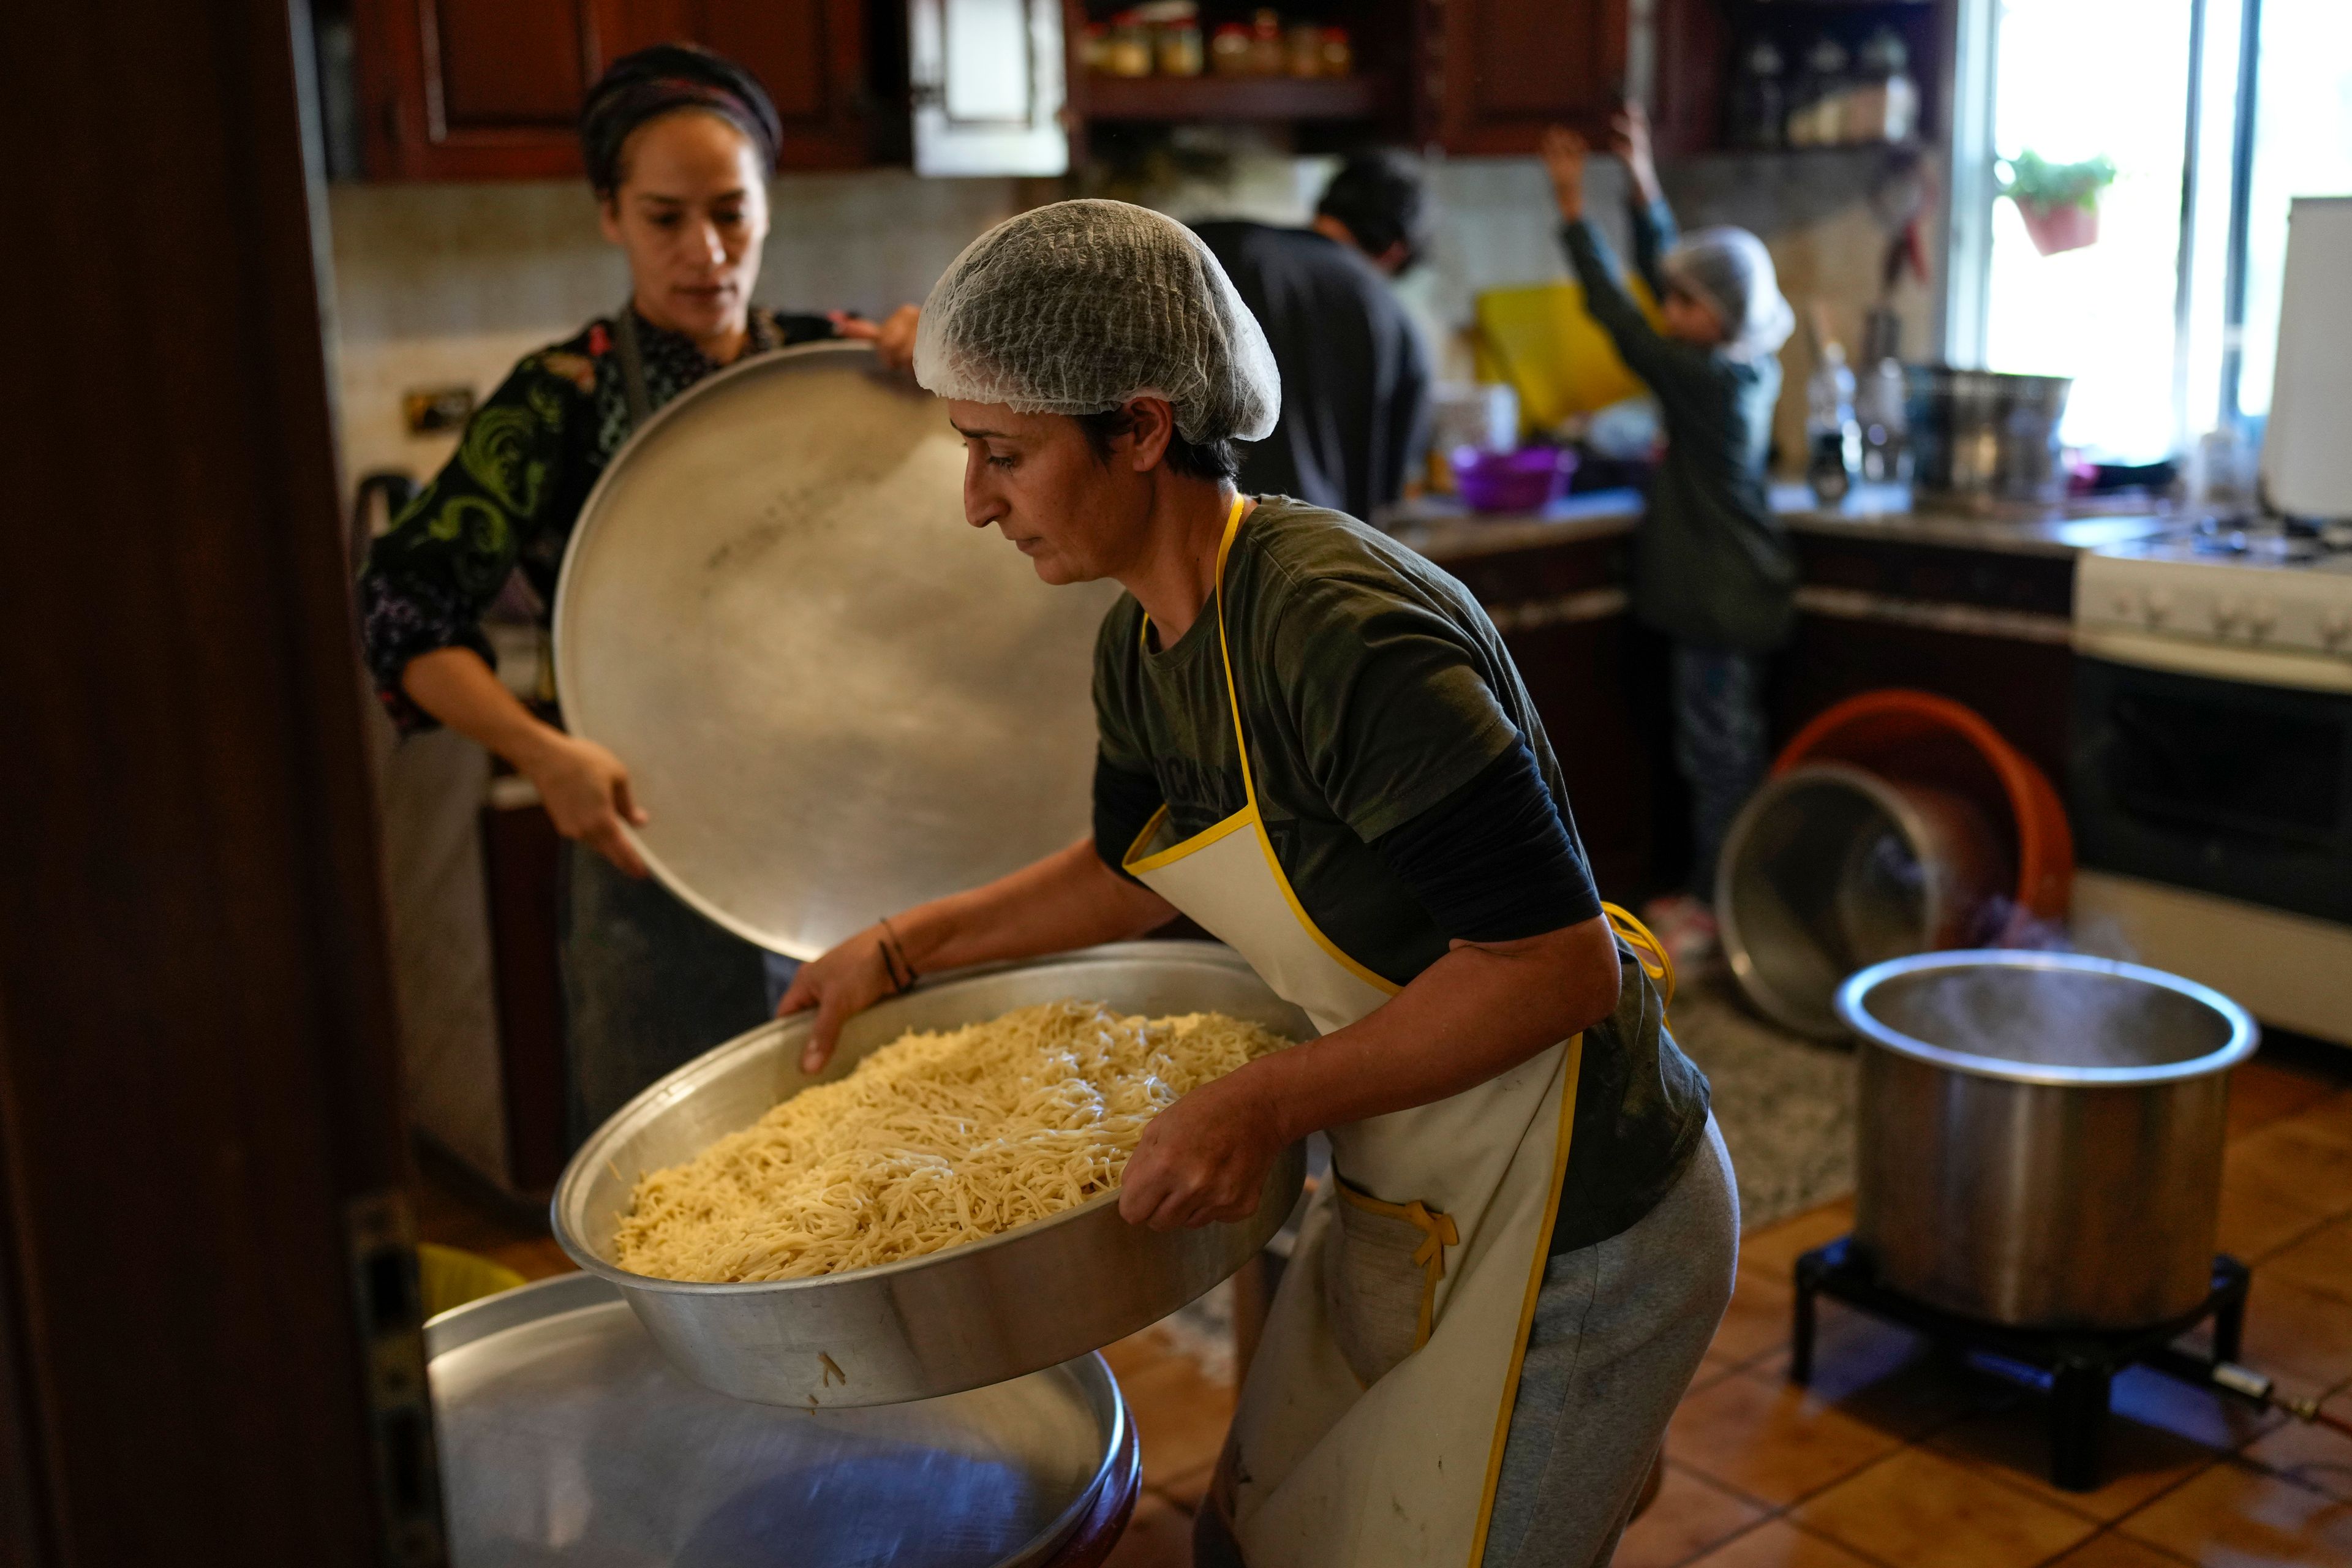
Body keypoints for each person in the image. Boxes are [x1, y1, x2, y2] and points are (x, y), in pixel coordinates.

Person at [779, 199, 1736, 1568]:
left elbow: (1556, 964)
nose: (976, 500)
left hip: (1588, 1219)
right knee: (1257, 1534)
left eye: (1004, 455)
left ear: (1146, 426)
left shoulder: (1334, 627)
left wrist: (1259, 1099)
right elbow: (1125, 875)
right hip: (1418, 1177)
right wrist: (898, 947)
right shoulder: (1145, 639)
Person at [357, 43, 921, 1147]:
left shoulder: (840, 365)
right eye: (666, 218)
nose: (705, 253)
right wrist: (541, 752)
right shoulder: (555, 402)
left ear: (768, 208)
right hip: (648, 848)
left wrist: (948, 355)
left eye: (732, 214)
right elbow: (401, 608)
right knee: (680, 1191)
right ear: (609, 215)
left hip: (859, 839)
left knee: (878, 1171)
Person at [1542, 107, 1797, 967]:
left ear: (1713, 314)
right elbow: (1668, 281)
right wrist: (1643, 178)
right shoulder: (1743, 364)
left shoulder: (1700, 378)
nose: (1668, 305)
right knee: (1719, 755)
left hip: (1718, 603)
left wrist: (1574, 209)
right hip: (1733, 592)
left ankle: (1722, 909)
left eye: (1683, 301)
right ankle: (1722, 897)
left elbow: (1622, 315)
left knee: (1720, 763)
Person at [1191, 151, 1433, 522]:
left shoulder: (1216, 248)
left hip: (1190, 534)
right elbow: (1390, 486)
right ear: (1395, 251)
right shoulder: (1390, 315)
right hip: (1314, 551)